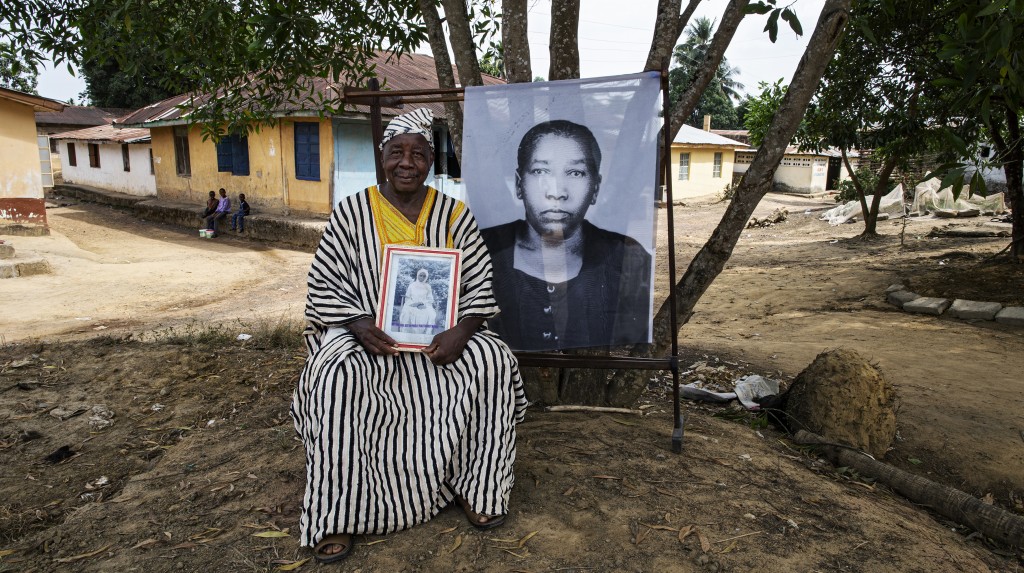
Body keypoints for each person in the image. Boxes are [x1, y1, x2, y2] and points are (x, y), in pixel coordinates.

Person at [291, 108, 527, 564]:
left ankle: (477, 487)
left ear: (430, 162)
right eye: (397, 152)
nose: (407, 163)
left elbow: (480, 283)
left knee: (493, 360)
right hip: (366, 334)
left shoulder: (455, 215)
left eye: (418, 154)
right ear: (382, 157)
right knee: (336, 373)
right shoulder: (351, 212)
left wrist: (463, 330)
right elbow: (324, 282)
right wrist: (358, 324)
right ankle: (335, 512)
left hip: (440, 339)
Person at [480, 119, 652, 351]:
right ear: (520, 184)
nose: (557, 192)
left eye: (575, 173)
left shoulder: (627, 258)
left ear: (595, 187)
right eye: (541, 171)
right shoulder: (482, 249)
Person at [398, 268, 437, 334]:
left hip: (424, 304)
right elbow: (407, 297)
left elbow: (430, 299)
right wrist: (413, 304)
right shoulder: (412, 285)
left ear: (426, 277)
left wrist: (421, 303)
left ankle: (424, 335)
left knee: (431, 314)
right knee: (407, 313)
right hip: (412, 303)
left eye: (424, 276)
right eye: (420, 275)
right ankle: (407, 334)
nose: (422, 277)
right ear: (417, 275)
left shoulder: (428, 286)